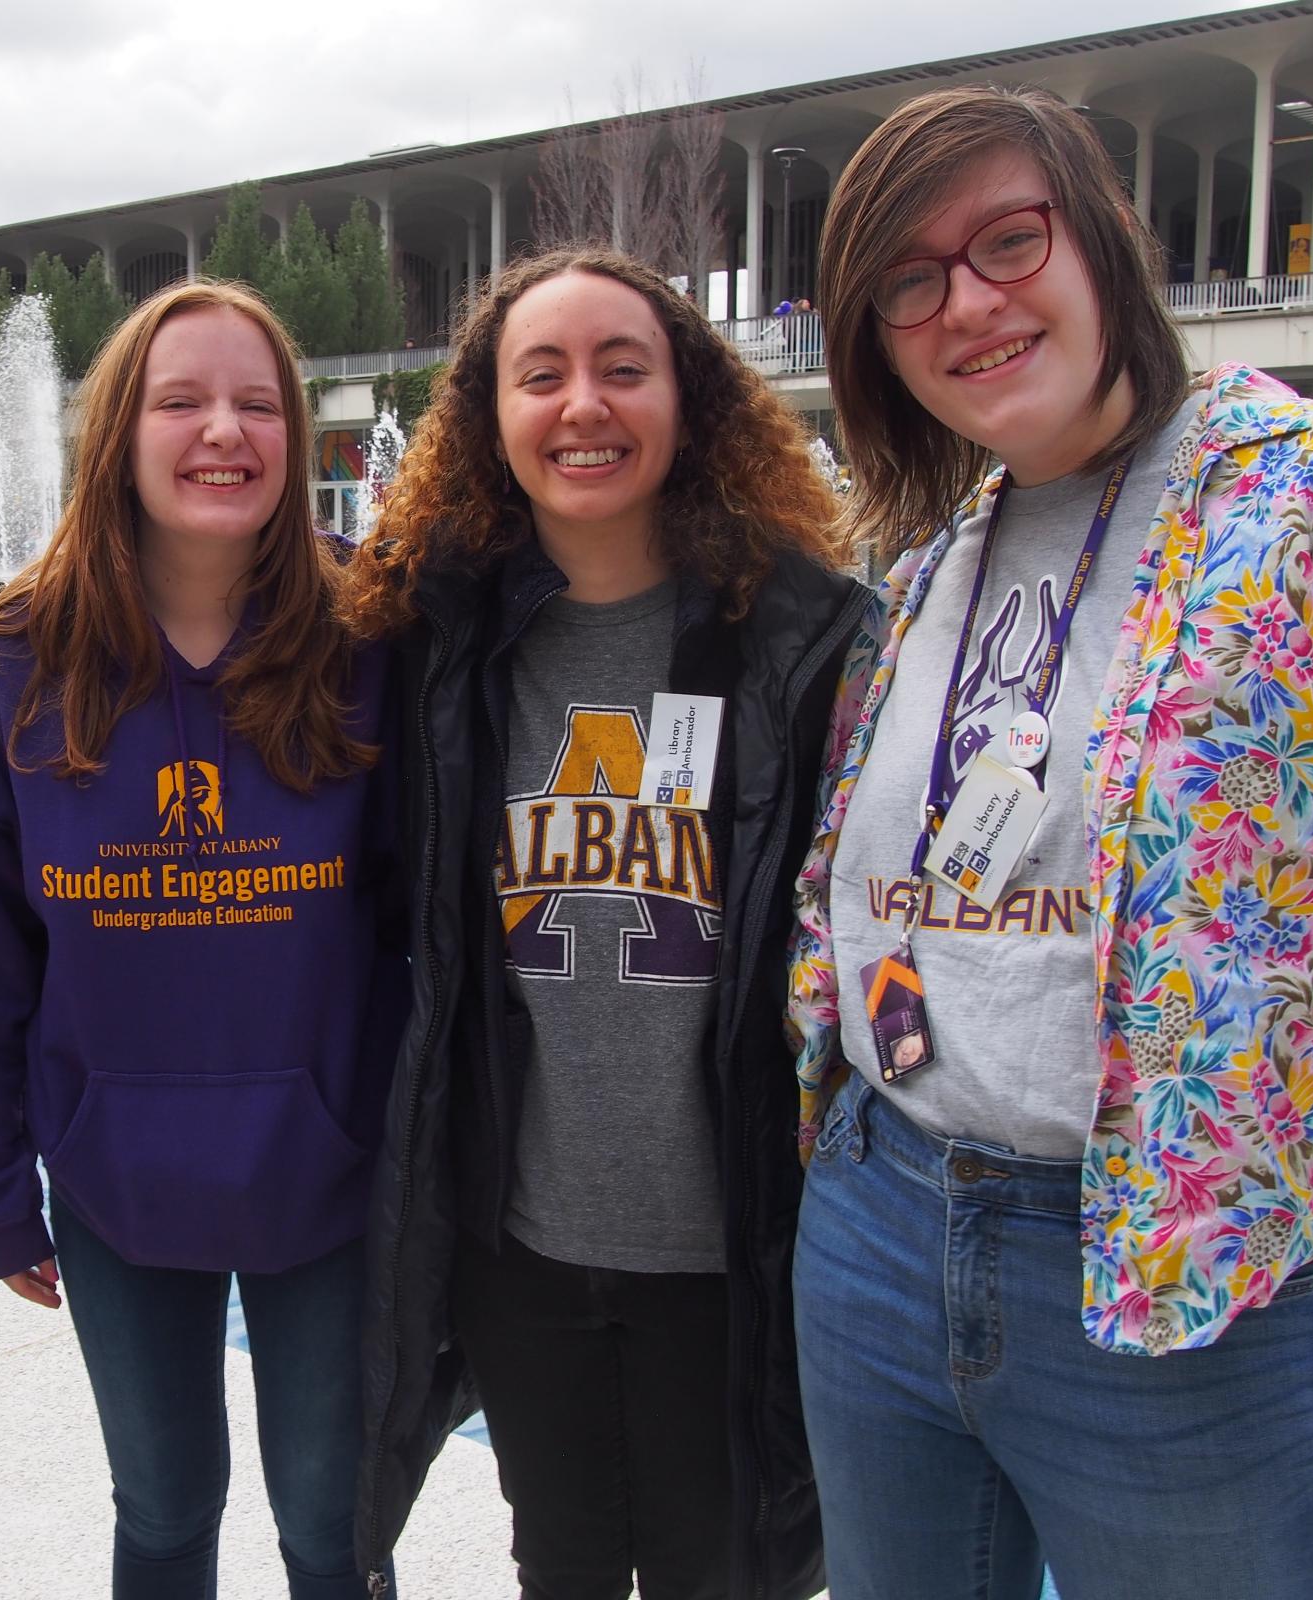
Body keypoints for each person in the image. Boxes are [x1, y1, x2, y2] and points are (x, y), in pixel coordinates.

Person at [788, 85, 1313, 1600]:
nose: (966, 301)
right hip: (880, 1222)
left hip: (1196, 1291)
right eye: (910, 280)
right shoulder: (926, 571)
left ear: (1103, 237)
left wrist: (1253, 1137)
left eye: (1006, 239)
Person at [347, 246, 864, 1600]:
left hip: (734, 1249)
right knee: (559, 1564)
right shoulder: (431, 645)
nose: (584, 405)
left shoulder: (808, 642)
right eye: (543, 374)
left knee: (728, 1575)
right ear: (490, 418)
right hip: (523, 1245)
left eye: (622, 369)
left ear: (688, 403)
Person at [0, 281, 406, 1599]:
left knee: (332, 1527)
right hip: (113, 1176)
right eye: (182, 400)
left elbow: (427, 924)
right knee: (168, 1511)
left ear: (294, 437)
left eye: (256, 404)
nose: (222, 431)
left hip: (333, 1173)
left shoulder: (372, 641)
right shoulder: (15, 662)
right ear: (120, 430)